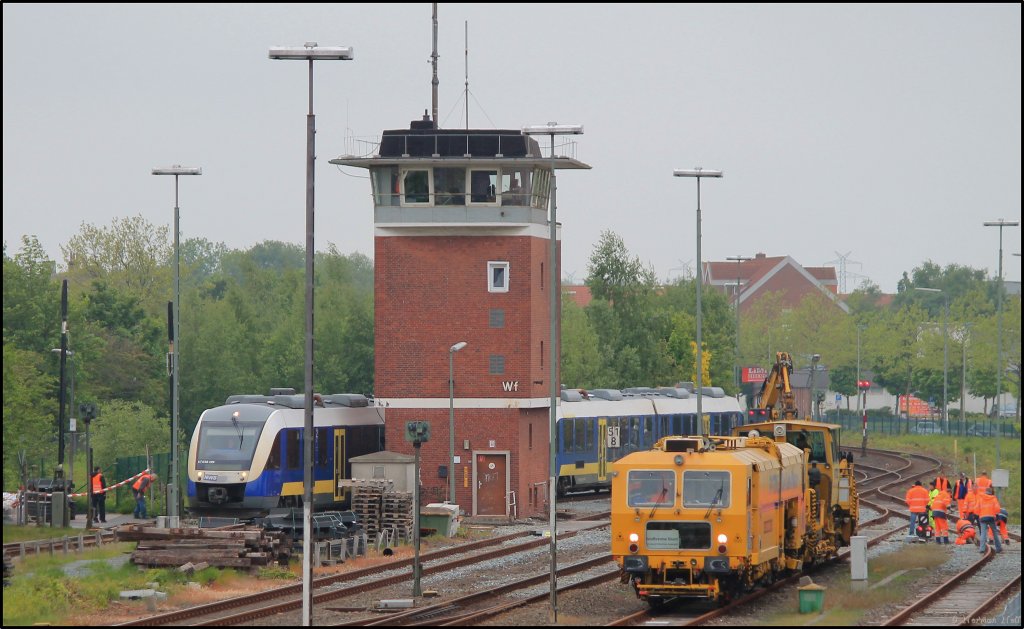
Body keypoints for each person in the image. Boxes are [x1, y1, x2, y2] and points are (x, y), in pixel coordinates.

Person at [976, 487, 1003, 554]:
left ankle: (982, 549)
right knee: (994, 533)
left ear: (985, 492)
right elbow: (997, 509)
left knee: (983, 533)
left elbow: (976, 509)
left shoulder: (980, 498)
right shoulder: (993, 498)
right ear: (991, 493)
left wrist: (979, 514)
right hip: (991, 518)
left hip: (982, 518)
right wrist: (996, 514)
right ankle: (998, 548)